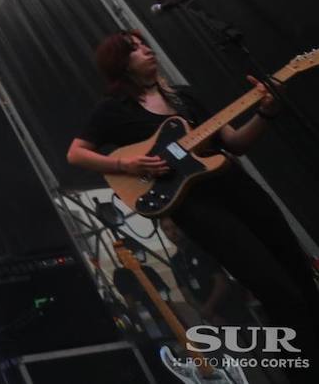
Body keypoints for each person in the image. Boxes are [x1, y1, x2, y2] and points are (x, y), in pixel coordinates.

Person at [67, 30, 319, 381]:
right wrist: (127, 165)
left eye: (144, 44)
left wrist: (267, 112)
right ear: (120, 64)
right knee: (272, 286)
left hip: (238, 189)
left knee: (300, 276)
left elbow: (234, 142)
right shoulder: (113, 110)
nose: (146, 50)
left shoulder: (185, 99)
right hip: (197, 207)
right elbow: (76, 153)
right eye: (134, 49)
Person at [161, 217, 253, 328]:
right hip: (213, 316)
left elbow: (222, 283)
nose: (172, 232)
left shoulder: (202, 248)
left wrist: (208, 309)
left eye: (174, 227)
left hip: (235, 308)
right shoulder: (176, 261)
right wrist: (209, 315)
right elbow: (186, 293)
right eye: (167, 229)